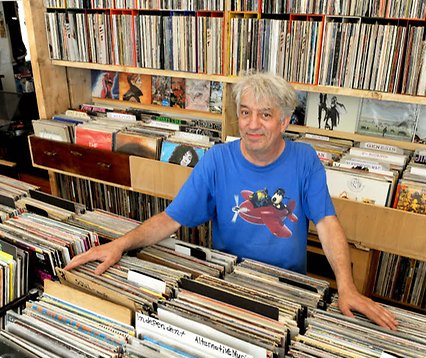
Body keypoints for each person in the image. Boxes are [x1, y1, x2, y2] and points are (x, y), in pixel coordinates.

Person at [66, 72, 397, 330]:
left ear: (284, 121)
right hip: (229, 282)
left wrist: (346, 287)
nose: (253, 124)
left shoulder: (305, 160)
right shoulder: (216, 160)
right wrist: (121, 245)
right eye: (245, 113)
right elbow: (170, 219)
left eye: (265, 115)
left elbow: (327, 223)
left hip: (288, 289)